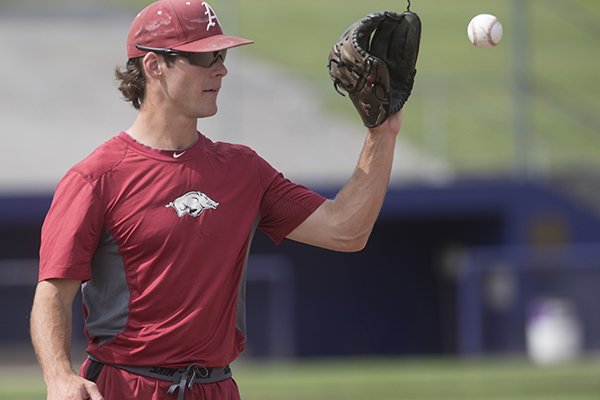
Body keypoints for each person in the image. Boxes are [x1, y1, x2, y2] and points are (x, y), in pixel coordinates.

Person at [29, 0, 403, 399]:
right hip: (126, 387)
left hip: (216, 388)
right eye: (205, 57)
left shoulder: (243, 169)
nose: (221, 69)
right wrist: (59, 375)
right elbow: (52, 292)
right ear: (154, 65)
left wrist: (382, 132)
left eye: (221, 55)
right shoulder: (95, 177)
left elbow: (346, 231)